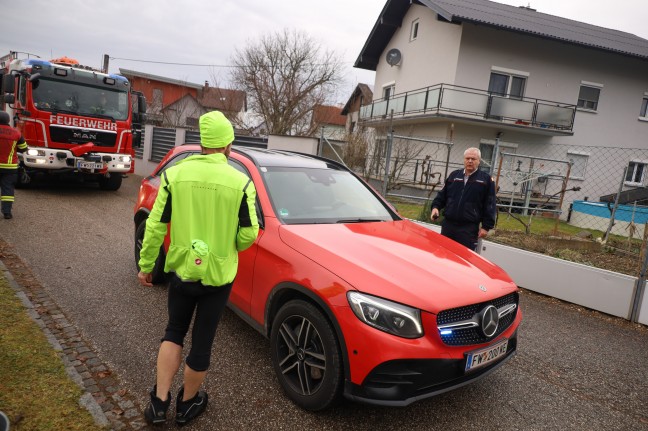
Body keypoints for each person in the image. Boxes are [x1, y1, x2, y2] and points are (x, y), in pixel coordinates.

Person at [137, 111, 259, 426]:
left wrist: (147, 265)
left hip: (181, 271)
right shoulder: (241, 181)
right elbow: (248, 233)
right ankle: (188, 404)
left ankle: (159, 402)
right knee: (202, 340)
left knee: (174, 331)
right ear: (228, 144)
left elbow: (155, 224)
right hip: (218, 276)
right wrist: (226, 246)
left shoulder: (175, 175)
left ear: (203, 143)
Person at [430, 147, 496, 251]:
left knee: (463, 259)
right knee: (443, 255)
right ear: (464, 160)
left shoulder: (486, 180)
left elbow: (490, 204)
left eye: (473, 159)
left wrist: (486, 226)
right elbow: (442, 195)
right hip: (448, 225)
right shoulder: (454, 176)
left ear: (479, 161)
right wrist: (435, 207)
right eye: (467, 158)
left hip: (468, 228)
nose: (470, 161)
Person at [0, 111, 28, 219]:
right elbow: (24, 148)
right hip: (10, 167)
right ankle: (7, 213)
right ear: (8, 120)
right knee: (7, 190)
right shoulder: (16, 133)